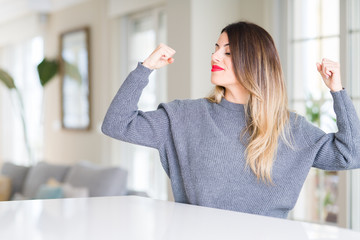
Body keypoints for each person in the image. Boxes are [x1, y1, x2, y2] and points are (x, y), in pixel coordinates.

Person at [102, 21, 360, 219]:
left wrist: (337, 91)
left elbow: (352, 154)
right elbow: (116, 124)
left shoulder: (291, 128)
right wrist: (144, 69)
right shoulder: (184, 117)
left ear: (254, 62)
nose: (214, 57)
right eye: (216, 49)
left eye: (228, 52)